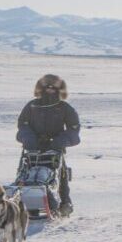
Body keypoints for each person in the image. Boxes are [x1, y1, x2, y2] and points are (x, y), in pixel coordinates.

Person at [16, 74, 80, 215]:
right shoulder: (32, 105)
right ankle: (24, 202)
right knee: (25, 172)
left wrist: (58, 141)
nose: (50, 90)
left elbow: (74, 128)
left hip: (55, 148)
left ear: (58, 90)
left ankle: (64, 202)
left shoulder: (64, 107)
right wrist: (30, 139)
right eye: (47, 87)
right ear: (42, 89)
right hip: (33, 148)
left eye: (53, 88)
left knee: (60, 174)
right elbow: (22, 125)